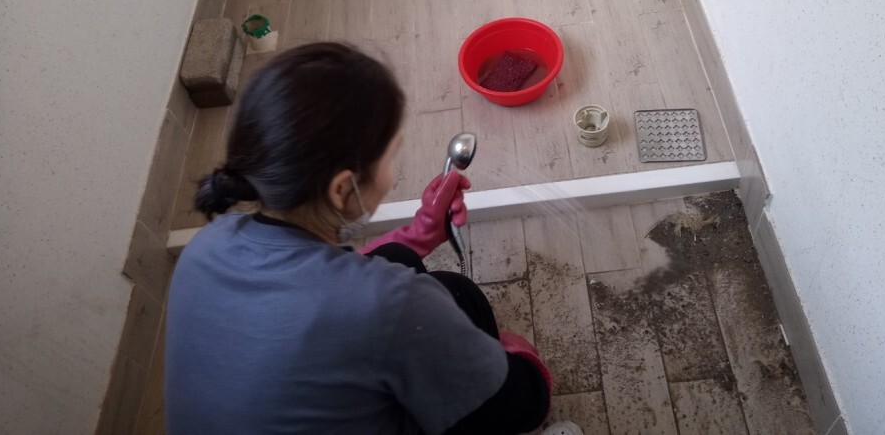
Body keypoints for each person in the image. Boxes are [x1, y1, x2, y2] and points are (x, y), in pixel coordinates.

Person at [164, 42, 578, 434]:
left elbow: (330, 283)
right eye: (390, 157)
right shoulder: (393, 306)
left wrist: (420, 232)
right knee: (506, 372)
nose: (391, 172)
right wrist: (512, 357)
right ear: (343, 189)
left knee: (424, 271)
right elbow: (526, 404)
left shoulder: (208, 245)